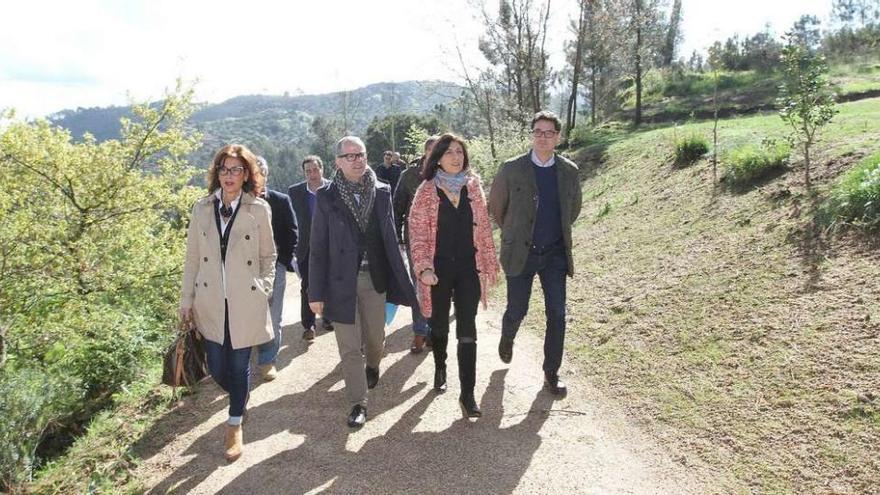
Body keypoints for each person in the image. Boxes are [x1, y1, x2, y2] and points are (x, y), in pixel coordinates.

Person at [309, 136, 417, 428]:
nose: (357, 160)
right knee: (349, 346)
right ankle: (358, 402)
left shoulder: (382, 191)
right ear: (338, 162)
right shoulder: (326, 196)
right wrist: (315, 291)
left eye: (361, 155)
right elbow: (317, 247)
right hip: (340, 282)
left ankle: (373, 364)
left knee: (374, 340)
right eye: (350, 156)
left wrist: (403, 275)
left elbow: (391, 239)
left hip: (375, 278)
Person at [179, 144, 275, 462]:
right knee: (218, 367)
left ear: (246, 174)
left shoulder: (258, 209)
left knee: (238, 364)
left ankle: (234, 423)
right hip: (209, 302)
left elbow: (268, 255)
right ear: (216, 174)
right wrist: (186, 300)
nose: (229, 176)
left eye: (235, 169)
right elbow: (192, 259)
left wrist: (264, 286)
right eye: (224, 169)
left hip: (245, 300)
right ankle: (239, 397)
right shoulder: (201, 208)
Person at [489, 110, 582, 397]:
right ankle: (507, 337)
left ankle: (551, 373)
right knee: (518, 309)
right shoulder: (511, 168)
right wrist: (517, 233)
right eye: (538, 132)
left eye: (549, 133)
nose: (543, 137)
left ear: (558, 137)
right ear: (532, 135)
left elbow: (573, 209)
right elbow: (496, 207)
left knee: (557, 314)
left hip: (555, 254)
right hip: (521, 253)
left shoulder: (569, 171)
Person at [408, 133, 498, 418]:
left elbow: (483, 228)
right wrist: (424, 268)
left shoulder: (473, 187)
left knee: (467, 329)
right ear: (437, 158)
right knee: (439, 327)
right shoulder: (426, 191)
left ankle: (468, 394)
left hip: (468, 269)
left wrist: (488, 259)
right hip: (438, 271)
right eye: (449, 152)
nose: (456, 157)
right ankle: (440, 365)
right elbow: (418, 234)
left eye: (459, 152)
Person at [393, 135, 438, 353]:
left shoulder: (449, 173)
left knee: (440, 286)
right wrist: (399, 239)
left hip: (444, 242)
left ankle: (435, 330)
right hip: (416, 242)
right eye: (432, 151)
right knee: (420, 286)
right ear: (425, 152)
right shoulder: (409, 176)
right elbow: (397, 209)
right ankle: (421, 331)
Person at [255, 156, 297, 380]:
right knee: (248, 314)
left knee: (273, 314)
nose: (257, 174)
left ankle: (267, 360)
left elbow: (292, 232)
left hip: (274, 267)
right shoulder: (237, 203)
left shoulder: (280, 201)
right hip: (244, 270)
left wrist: (282, 261)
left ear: (267, 174)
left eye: (261, 170)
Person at [288, 156, 333, 341]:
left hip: (331, 245)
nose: (312, 174)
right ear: (303, 172)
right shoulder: (295, 192)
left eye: (315, 170)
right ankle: (309, 325)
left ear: (322, 169)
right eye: (308, 171)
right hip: (306, 247)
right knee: (307, 285)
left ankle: (329, 317)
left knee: (330, 282)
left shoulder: (333, 189)